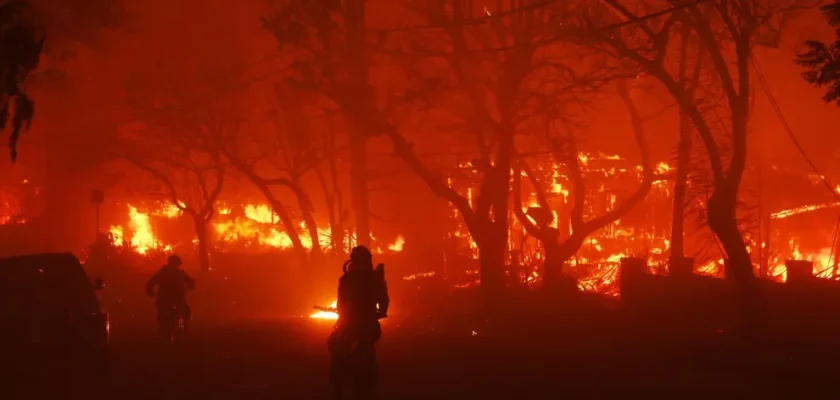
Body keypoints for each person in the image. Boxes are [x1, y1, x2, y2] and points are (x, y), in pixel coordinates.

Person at [329, 245, 390, 399]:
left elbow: (341, 303)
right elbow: (384, 301)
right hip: (368, 325)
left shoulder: (345, 279)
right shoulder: (375, 279)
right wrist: (380, 313)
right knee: (366, 354)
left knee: (336, 348)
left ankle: (339, 388)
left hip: (349, 324)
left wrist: (344, 316)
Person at [146, 255, 195, 340]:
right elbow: (150, 283)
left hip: (173, 301)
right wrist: (150, 292)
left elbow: (150, 283)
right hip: (167, 301)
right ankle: (168, 336)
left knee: (181, 315)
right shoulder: (167, 273)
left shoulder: (172, 273)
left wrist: (151, 292)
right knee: (165, 320)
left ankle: (178, 333)